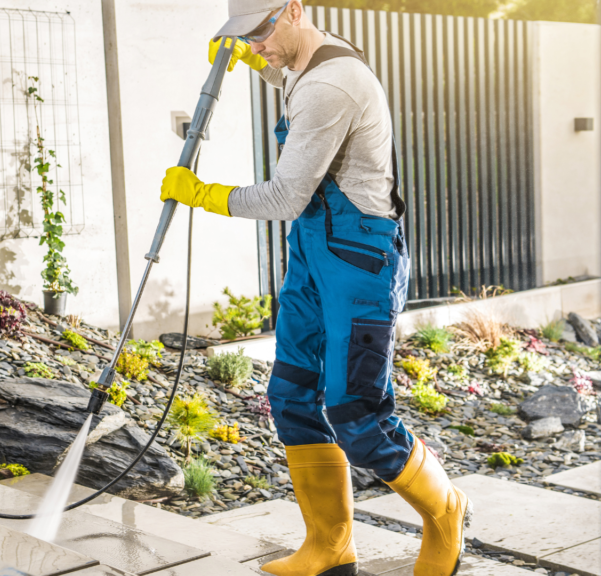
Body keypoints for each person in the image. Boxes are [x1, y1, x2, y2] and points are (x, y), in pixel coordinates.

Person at [159, 2, 470, 575]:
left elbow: (284, 198)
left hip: (358, 260)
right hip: (313, 254)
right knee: (292, 393)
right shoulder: (308, 61)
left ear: (294, 10)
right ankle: (330, 546)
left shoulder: (334, 86)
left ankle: (445, 511)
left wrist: (202, 194)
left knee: (356, 411)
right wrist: (254, 63)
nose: (257, 45)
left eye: (260, 33)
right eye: (244, 37)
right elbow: (287, 70)